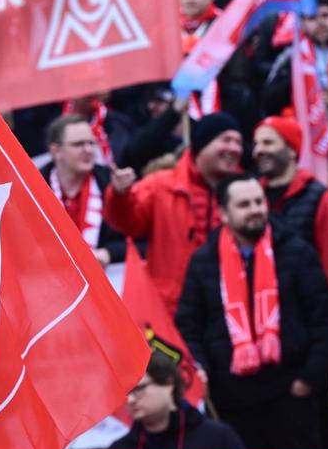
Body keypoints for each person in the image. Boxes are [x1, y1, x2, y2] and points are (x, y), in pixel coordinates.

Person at [175, 174, 328, 449]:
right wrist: (202, 370)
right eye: (244, 205)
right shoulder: (203, 261)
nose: (255, 210)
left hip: (292, 400)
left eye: (258, 202)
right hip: (232, 404)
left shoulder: (297, 252)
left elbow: (324, 321)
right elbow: (189, 325)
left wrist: (309, 380)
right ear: (223, 213)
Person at [106, 113, 242, 314]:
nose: (234, 148)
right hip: (172, 309)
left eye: (238, 142)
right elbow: (128, 223)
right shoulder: (160, 186)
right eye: (226, 140)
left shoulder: (246, 191)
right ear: (202, 144)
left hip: (229, 306)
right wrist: (119, 195)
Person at [252, 116, 328, 307]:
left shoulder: (321, 198)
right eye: (256, 144)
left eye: (268, 142)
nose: (258, 150)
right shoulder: (251, 197)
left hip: (308, 312)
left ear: (291, 150)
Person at [105, 351, 248, 449]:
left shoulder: (218, 438)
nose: (130, 400)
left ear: (168, 384)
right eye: (126, 393)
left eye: (139, 389)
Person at [39, 114, 127, 266]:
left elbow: (142, 241)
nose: (88, 150)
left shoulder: (112, 183)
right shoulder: (33, 189)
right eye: (78, 144)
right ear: (56, 151)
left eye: (91, 143)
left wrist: (109, 253)